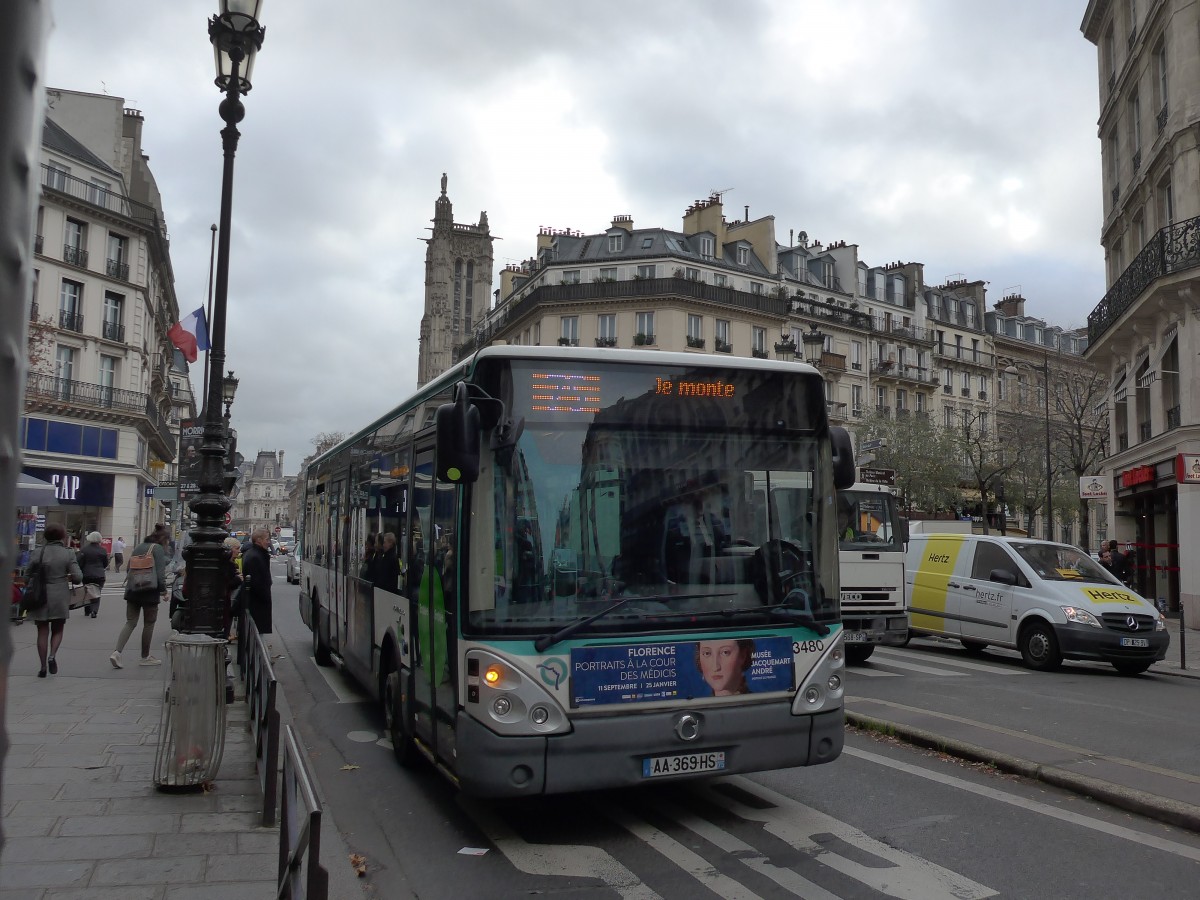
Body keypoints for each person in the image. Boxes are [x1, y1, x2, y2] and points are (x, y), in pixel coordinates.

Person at [110, 528, 170, 668]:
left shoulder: (139, 547)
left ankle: (117, 652)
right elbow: (160, 574)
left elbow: (129, 568)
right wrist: (164, 592)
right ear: (163, 540)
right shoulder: (158, 549)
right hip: (150, 591)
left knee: (130, 622)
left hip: (133, 589)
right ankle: (145, 656)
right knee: (149, 623)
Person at [28, 523, 82, 677]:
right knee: (58, 629)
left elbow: (27, 574)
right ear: (62, 536)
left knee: (42, 630)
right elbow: (78, 577)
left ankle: (42, 667)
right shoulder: (68, 553)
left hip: (40, 595)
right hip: (59, 595)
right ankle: (52, 655)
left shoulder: (37, 552)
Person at [241, 526, 274, 637]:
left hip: (256, 603)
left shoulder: (255, 554)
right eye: (267, 539)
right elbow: (257, 583)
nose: (269, 542)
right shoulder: (256, 557)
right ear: (259, 540)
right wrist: (265, 595)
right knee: (256, 634)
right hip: (257, 605)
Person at [77, 531, 108, 618]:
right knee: (97, 592)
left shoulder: (84, 549)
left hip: (86, 574)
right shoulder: (103, 550)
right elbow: (105, 564)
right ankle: (94, 610)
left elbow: (79, 562)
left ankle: (87, 610)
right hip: (99, 575)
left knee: (87, 592)